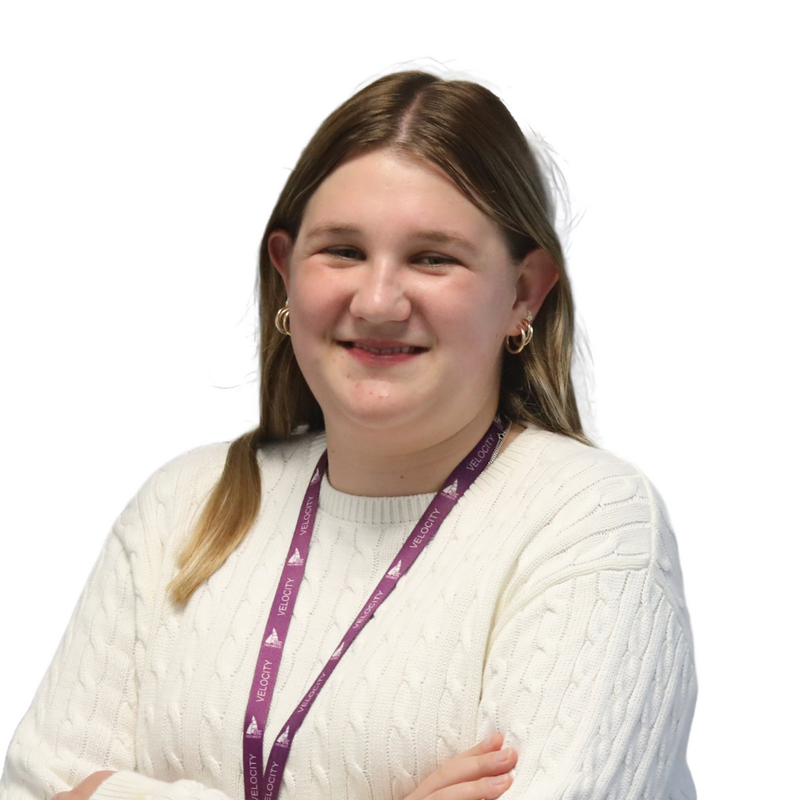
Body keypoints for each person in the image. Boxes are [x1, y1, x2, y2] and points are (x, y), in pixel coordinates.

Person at [0, 70, 697, 800]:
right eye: (342, 250)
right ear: (285, 272)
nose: (378, 301)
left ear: (523, 293)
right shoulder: (181, 506)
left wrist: (112, 792)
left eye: (433, 257)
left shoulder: (592, 522)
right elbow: (33, 791)